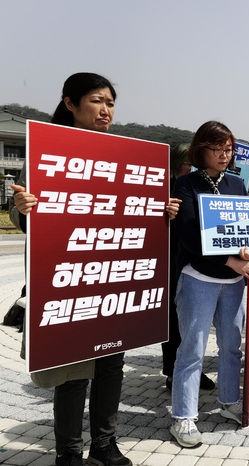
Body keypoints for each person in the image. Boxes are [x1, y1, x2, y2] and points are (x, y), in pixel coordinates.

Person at [11, 72, 179, 466]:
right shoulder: (47, 148)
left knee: (111, 364)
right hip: (72, 280)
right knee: (72, 372)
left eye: (110, 102)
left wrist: (163, 213)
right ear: (70, 102)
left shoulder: (126, 156)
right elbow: (23, 211)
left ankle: (105, 444)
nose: (106, 110)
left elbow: (130, 213)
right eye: (96, 101)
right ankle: (68, 453)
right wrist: (22, 210)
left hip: (113, 279)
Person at [170, 121, 249, 447]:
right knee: (192, 350)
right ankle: (183, 416)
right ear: (200, 149)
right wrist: (231, 261)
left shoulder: (237, 184)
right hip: (199, 280)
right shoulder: (186, 184)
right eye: (217, 148)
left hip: (234, 283)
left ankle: (228, 401)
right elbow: (191, 236)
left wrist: (248, 251)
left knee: (232, 346)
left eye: (229, 148)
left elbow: (248, 226)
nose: (225, 154)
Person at [161, 145, 216, 392]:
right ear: (176, 166)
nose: (193, 169)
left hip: (196, 263)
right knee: (173, 317)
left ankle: (192, 370)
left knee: (190, 321)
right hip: (170, 260)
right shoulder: (164, 187)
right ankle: (173, 370)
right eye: (188, 164)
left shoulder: (204, 186)